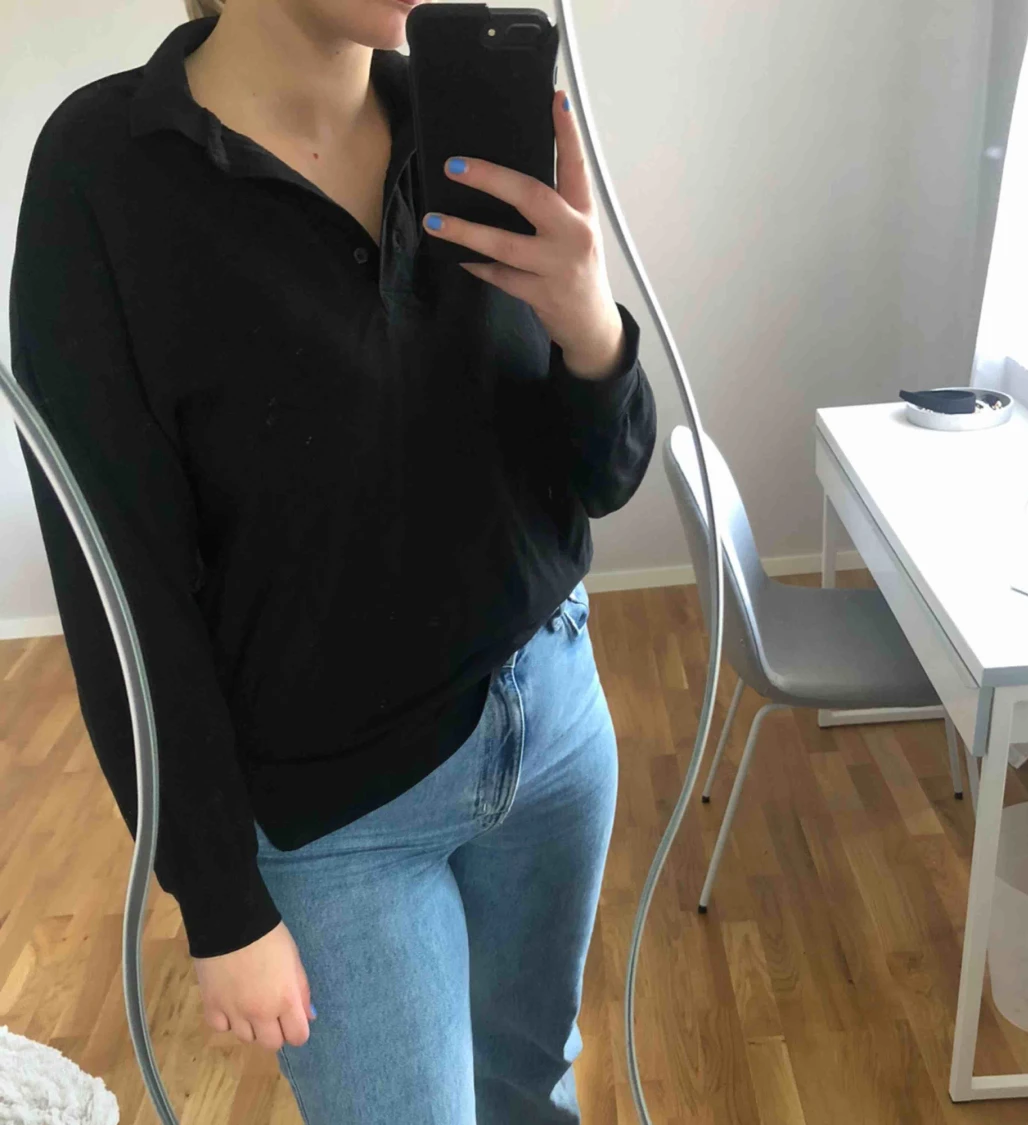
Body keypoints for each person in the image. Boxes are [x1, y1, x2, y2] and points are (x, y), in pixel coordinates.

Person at [9, 0, 656, 1122]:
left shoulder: (463, 126)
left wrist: (588, 324)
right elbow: (120, 589)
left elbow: (602, 478)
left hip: (553, 720)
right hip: (339, 824)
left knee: (532, 1085)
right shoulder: (105, 174)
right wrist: (220, 902)